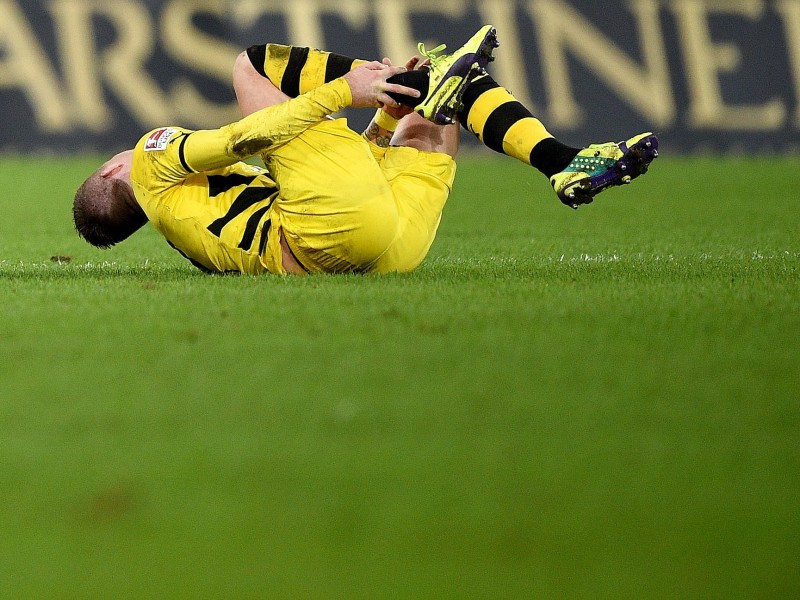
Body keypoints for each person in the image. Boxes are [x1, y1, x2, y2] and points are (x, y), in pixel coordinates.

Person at [73, 26, 658, 275]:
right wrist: (349, 92)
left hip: (374, 250)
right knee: (250, 65)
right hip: (329, 231)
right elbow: (241, 136)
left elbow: (335, 191)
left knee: (436, 110)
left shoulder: (189, 224)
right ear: (112, 170)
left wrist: (381, 122)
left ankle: (562, 162)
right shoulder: (151, 161)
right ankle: (395, 78)